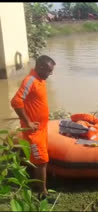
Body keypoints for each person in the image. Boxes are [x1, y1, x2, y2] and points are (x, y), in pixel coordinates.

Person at [11, 55, 56, 199]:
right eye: (49, 71)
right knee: (41, 161)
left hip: (41, 129)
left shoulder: (40, 80)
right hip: (33, 131)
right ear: (41, 67)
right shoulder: (30, 81)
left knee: (40, 160)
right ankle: (42, 193)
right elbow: (16, 102)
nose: (51, 74)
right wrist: (28, 122)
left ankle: (37, 185)